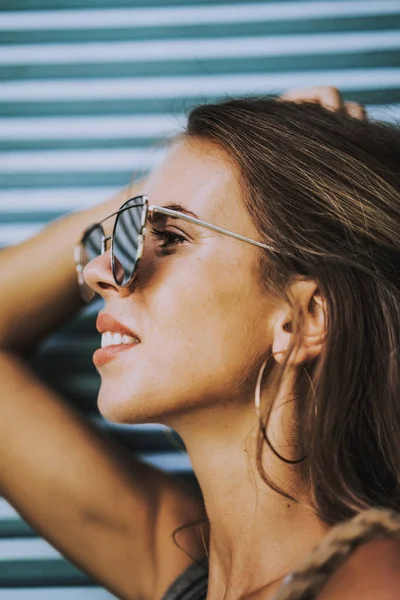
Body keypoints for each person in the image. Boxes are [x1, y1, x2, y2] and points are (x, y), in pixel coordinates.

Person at [0, 86, 399, 600]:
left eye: (172, 237)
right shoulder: (193, 577)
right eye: (127, 232)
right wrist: (165, 185)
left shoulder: (376, 583)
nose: (101, 271)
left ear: (304, 318)